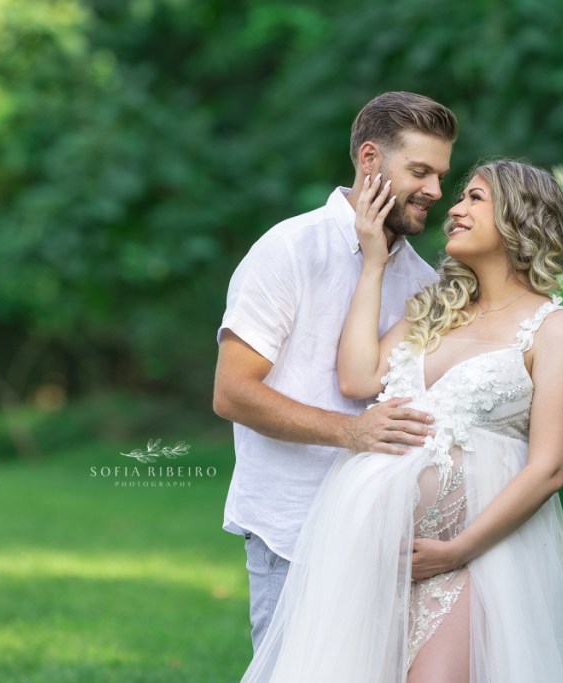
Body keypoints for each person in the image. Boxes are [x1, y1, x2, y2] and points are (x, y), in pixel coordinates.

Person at [241, 159, 563, 682]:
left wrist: (457, 550)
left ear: (522, 217)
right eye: (460, 198)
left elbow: (548, 469)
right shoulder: (433, 307)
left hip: (476, 554)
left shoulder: (553, 328)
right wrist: (374, 265)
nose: (453, 208)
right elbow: (358, 378)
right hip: (367, 547)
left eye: (475, 198)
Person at [212, 91, 459, 651]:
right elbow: (231, 393)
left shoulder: (422, 281)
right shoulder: (289, 250)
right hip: (291, 527)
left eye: (442, 176)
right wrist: (351, 433)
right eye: (420, 171)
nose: (435, 192)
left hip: (383, 534)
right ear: (369, 160)